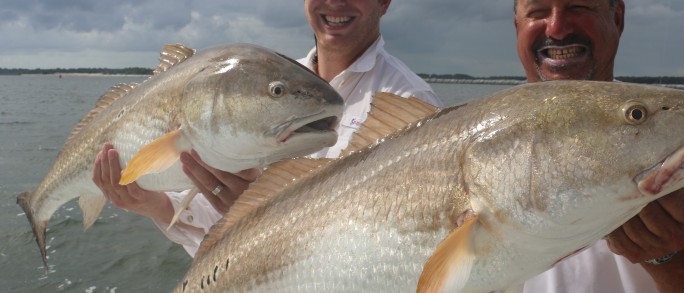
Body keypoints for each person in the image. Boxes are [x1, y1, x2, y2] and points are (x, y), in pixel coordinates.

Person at [92, 0, 442, 257]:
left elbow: (395, 250)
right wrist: (154, 204)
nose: (336, 2)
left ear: (385, 2)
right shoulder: (271, 79)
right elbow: (217, 224)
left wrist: (262, 216)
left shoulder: (410, 104)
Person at [513, 0, 684, 292]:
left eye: (579, 7)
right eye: (538, 12)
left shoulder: (683, 134)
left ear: (617, 18)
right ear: (518, 26)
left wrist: (675, 252)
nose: (557, 28)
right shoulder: (468, 140)